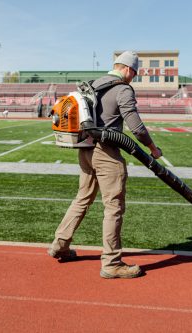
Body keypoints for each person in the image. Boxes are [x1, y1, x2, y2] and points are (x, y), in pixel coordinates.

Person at [48, 51, 162, 279]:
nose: (133, 78)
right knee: (114, 206)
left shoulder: (94, 84)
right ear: (129, 69)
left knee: (83, 198)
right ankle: (112, 262)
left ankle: (59, 244)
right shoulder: (122, 88)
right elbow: (136, 126)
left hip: (85, 151)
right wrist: (152, 148)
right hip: (107, 153)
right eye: (135, 73)